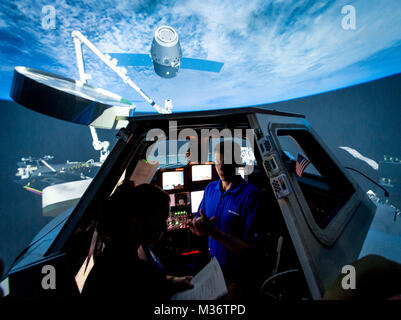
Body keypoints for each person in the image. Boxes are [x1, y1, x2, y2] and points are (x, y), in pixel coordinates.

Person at [82, 182, 193, 300]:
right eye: (160, 220)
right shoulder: (124, 272)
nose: (164, 228)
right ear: (135, 223)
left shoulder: (136, 248)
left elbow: (151, 281)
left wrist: (173, 281)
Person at [190, 141, 265, 296]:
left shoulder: (251, 196)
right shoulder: (210, 189)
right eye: (218, 162)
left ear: (237, 162)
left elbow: (252, 252)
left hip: (240, 279)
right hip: (215, 271)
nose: (221, 168)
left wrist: (214, 232)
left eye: (227, 163)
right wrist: (197, 226)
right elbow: (200, 224)